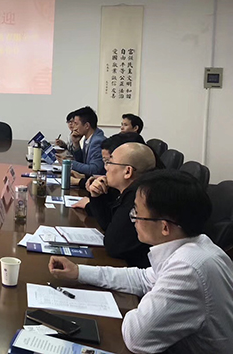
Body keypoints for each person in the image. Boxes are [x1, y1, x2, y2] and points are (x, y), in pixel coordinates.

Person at [49, 170, 233, 354]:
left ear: (164, 227)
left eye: (137, 212)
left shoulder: (187, 269)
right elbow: (143, 278)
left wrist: (143, 307)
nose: (133, 219)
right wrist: (78, 272)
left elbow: (136, 337)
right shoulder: (196, 246)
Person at [72, 142, 156, 267]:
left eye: (109, 162)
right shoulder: (132, 190)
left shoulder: (139, 197)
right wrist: (97, 196)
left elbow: (114, 246)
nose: (106, 168)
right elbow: (107, 224)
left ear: (128, 171)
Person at [58, 106, 105, 176]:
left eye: (76, 124)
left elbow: (94, 169)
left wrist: (69, 163)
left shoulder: (97, 141)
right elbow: (82, 162)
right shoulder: (88, 138)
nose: (74, 127)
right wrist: (76, 144)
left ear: (87, 126)